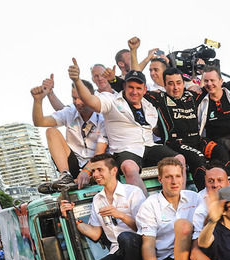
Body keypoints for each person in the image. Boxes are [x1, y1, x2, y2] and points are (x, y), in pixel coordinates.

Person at [69, 59, 184, 194]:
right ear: (124, 87)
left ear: (145, 90)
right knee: (129, 167)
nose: (134, 91)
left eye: (138, 88)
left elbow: (156, 129)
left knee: (179, 159)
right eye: (131, 87)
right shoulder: (111, 100)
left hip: (149, 146)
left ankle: (179, 201)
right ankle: (145, 210)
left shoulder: (149, 105)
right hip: (125, 149)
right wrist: (77, 81)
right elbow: (90, 101)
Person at [59, 154, 147, 260]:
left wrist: (119, 214)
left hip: (138, 247)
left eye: (100, 170)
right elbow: (95, 233)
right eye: (93, 171)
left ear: (114, 171)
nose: (96, 175)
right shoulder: (98, 199)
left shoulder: (132, 192)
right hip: (118, 253)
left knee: (125, 237)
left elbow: (143, 227)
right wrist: (71, 218)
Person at [32, 78, 108, 193]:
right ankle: (65, 176)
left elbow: (100, 151)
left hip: (95, 163)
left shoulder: (103, 116)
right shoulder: (70, 111)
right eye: (74, 98)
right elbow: (40, 122)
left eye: (81, 98)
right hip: (74, 162)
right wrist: (38, 101)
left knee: (105, 161)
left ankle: (82, 180)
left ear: (90, 96)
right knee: (51, 131)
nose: (77, 102)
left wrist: (87, 171)